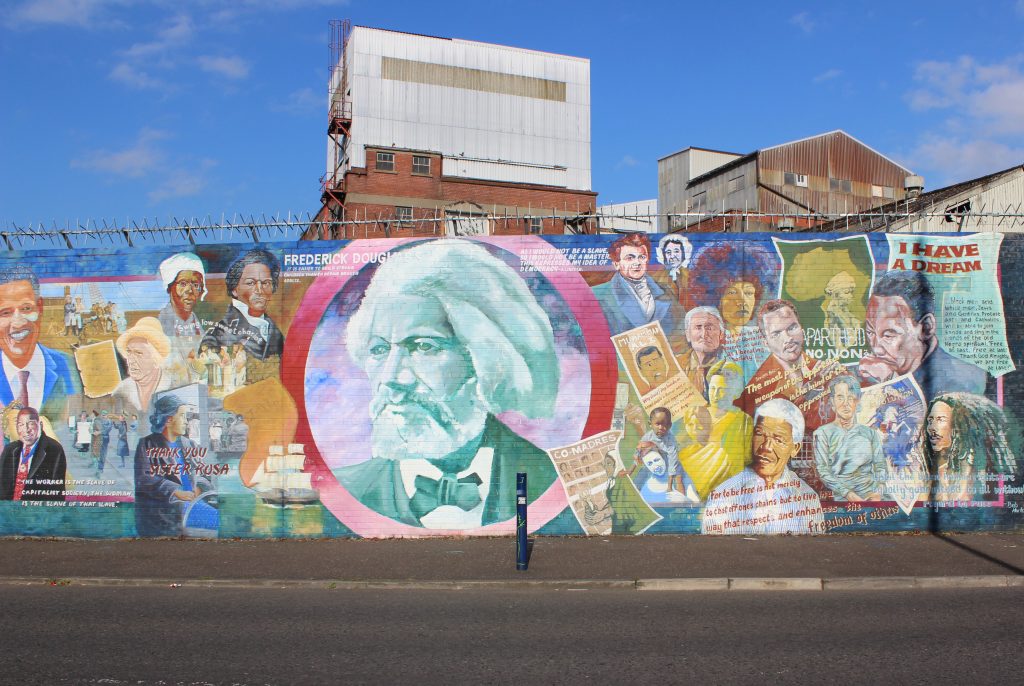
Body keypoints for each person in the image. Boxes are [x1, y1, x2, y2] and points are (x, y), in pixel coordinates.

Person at [338, 239, 560, 529]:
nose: (391, 378)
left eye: (423, 347)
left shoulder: (552, 481)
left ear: (486, 360)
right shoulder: (346, 488)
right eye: (379, 350)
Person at [702, 398, 824, 535]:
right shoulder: (724, 495)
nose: (766, 447)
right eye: (760, 434)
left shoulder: (807, 498)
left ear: (795, 448)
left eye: (778, 440)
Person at [858, 270, 986, 396]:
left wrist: (891, 382)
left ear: (926, 328)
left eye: (888, 335)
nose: (876, 349)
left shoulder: (961, 382)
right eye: (870, 332)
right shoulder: (876, 373)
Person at [737, 299, 842, 432]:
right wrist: (810, 392)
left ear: (801, 328)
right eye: (776, 334)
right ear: (765, 342)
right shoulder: (757, 391)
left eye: (792, 328)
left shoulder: (828, 371)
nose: (788, 338)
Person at [687, 241, 779, 382]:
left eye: (748, 293)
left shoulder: (762, 338)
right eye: (732, 292)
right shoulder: (706, 339)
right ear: (716, 297)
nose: (742, 301)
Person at [0, 265, 82, 423]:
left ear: (40, 308)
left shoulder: (68, 365)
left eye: (26, 308)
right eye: (5, 312)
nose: (17, 323)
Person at [133, 393, 217, 537]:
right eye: (183, 416)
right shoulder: (146, 444)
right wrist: (176, 492)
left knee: (222, 519)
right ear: (169, 420)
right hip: (164, 511)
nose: (187, 421)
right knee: (218, 522)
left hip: (192, 505)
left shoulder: (188, 444)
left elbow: (204, 472)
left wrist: (198, 488)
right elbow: (143, 479)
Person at [922, 392, 1018, 502]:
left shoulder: (979, 471)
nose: (932, 428)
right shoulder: (938, 471)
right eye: (930, 420)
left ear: (959, 424)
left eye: (940, 419)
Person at [812, 375, 887, 502]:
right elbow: (822, 471)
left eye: (850, 397)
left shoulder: (870, 434)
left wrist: (879, 491)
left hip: (873, 497)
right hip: (841, 499)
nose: (845, 403)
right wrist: (849, 495)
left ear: (857, 402)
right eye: (840, 397)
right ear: (832, 402)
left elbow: (880, 467)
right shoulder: (822, 433)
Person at [201, 248, 285, 360]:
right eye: (250, 283)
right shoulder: (216, 336)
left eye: (266, 283)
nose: (259, 290)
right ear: (234, 289)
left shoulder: (276, 334)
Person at [591, 233, 682, 336]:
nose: (637, 263)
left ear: (647, 260)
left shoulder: (666, 291)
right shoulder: (597, 295)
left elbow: (681, 327)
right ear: (616, 264)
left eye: (642, 257)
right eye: (630, 258)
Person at [0, 407, 66, 501]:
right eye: (21, 425)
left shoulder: (54, 449)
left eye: (30, 423)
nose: (26, 429)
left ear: (40, 425)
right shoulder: (10, 449)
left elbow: (57, 495)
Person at [112, 317, 174, 418]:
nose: (130, 360)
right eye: (129, 352)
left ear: (156, 359)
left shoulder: (173, 387)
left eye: (138, 353)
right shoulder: (121, 390)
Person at [680, 306, 727, 399]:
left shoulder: (733, 363)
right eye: (698, 328)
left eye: (709, 328)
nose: (704, 335)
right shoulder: (675, 365)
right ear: (688, 335)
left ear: (721, 334)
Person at [652, 234, 691, 306]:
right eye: (668, 252)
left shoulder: (691, 276)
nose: (672, 256)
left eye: (676, 251)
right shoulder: (657, 277)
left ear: (683, 253)